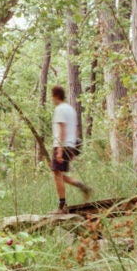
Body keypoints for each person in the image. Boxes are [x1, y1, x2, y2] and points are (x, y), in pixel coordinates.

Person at [49, 85, 92, 214]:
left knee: (57, 175)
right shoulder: (71, 110)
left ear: (56, 96)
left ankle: (62, 206)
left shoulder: (60, 109)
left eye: (52, 96)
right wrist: (72, 149)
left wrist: (60, 150)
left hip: (61, 145)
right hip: (71, 145)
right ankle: (81, 186)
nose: (52, 99)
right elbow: (73, 129)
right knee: (59, 174)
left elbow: (62, 130)